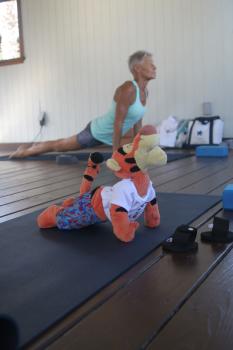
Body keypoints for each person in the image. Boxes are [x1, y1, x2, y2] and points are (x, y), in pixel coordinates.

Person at [10, 50, 157, 158]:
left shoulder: (144, 92)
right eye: (150, 64)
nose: (154, 67)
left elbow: (137, 121)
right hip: (96, 132)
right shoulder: (128, 89)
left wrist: (139, 150)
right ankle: (26, 151)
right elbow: (118, 123)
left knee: (144, 140)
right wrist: (115, 155)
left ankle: (29, 148)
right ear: (137, 68)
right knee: (60, 146)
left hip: (112, 135)